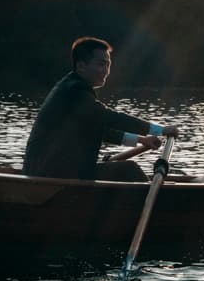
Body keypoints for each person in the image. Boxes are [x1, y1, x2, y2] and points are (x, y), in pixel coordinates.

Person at [23, 36, 178, 181]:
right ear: (81, 66)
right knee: (128, 170)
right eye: (101, 64)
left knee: (124, 172)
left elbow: (99, 130)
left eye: (108, 65)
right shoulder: (75, 91)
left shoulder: (72, 87)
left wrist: (141, 139)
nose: (106, 70)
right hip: (50, 173)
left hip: (47, 170)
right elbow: (110, 117)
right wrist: (160, 130)